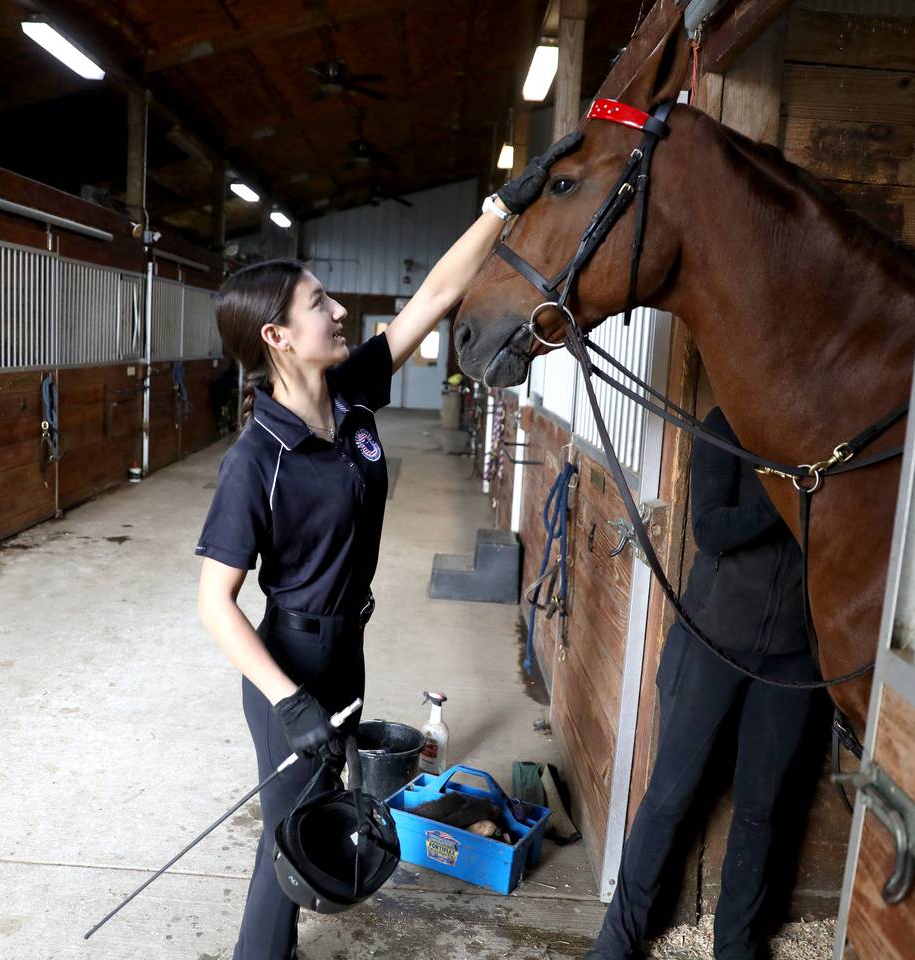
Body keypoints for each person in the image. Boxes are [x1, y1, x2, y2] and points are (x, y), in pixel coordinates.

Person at [195, 133, 581, 960]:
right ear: (277, 338)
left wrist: (501, 209)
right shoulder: (255, 461)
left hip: (348, 646)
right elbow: (214, 603)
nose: (339, 312)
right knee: (287, 834)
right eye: (319, 303)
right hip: (290, 659)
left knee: (316, 811)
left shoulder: (355, 393)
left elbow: (439, 292)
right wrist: (287, 699)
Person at [588, 406, 819, 960]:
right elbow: (712, 530)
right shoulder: (729, 424)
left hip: (793, 655)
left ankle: (735, 944)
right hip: (713, 641)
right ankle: (617, 942)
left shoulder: (827, 433)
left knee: (763, 806)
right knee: (670, 794)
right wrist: (792, 492)